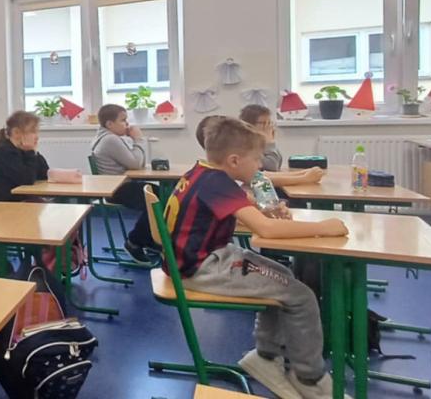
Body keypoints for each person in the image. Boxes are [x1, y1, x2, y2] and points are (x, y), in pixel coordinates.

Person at [164, 117, 348, 398]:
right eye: (257, 159)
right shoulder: (219, 183)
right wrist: (324, 227)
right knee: (302, 296)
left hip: (194, 260)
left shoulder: (202, 173)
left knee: (283, 277)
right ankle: (310, 379)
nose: (261, 165)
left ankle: (266, 355)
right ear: (234, 161)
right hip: (201, 268)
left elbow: (241, 208)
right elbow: (267, 230)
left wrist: (265, 208)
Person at [90, 104, 159, 263]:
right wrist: (138, 140)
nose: (127, 124)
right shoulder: (110, 140)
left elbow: (136, 162)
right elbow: (136, 164)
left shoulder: (105, 137)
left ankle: (148, 240)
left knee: (158, 193)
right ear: (109, 124)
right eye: (123, 120)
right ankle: (134, 242)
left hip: (118, 186)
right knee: (157, 199)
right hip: (117, 189)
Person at [0, 111, 48, 202]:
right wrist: (30, 152)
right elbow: (27, 180)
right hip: (7, 204)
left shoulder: (22, 152)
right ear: (16, 132)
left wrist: (34, 153)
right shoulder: (6, 153)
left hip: (21, 201)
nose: (37, 137)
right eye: (33, 132)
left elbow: (45, 174)